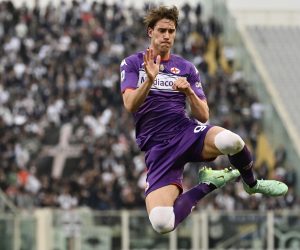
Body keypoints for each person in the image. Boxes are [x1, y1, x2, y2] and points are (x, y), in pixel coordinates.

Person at [120, 5, 288, 234]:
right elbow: (130, 104)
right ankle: (212, 182)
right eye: (162, 30)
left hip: (185, 132)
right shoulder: (132, 64)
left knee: (233, 141)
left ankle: (252, 184)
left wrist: (189, 91)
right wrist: (149, 79)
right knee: (162, 223)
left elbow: (203, 115)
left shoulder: (186, 67)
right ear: (150, 32)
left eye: (171, 31)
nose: (167, 36)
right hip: (157, 147)